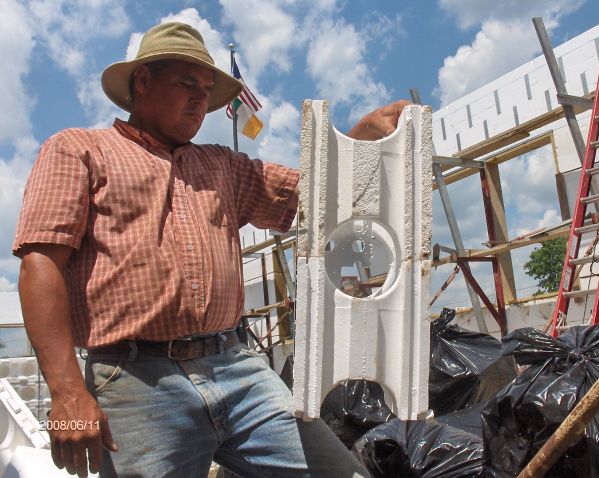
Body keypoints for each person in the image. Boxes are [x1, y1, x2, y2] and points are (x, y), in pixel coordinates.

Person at [13, 22, 409, 478]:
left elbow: (313, 191)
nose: (201, 99)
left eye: (206, 89)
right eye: (187, 84)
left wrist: (360, 140)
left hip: (236, 366)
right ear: (143, 82)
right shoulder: (79, 150)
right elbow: (40, 263)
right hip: (136, 380)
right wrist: (65, 391)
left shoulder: (222, 164)